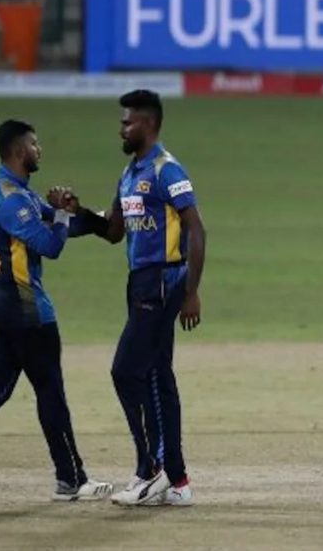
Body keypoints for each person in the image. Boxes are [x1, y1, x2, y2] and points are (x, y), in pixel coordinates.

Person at [0, 119, 111, 502]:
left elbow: (58, 222)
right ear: (20, 151)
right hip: (27, 314)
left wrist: (96, 220)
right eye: (34, 144)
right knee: (50, 393)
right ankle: (71, 479)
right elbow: (51, 245)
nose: (39, 150)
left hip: (2, 309)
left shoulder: (13, 190)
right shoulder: (14, 201)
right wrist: (63, 216)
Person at [70, 90, 206, 507]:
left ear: (147, 124)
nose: (121, 129)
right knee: (158, 376)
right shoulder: (129, 174)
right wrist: (78, 212)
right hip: (140, 283)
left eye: (127, 122)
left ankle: (153, 468)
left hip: (163, 282)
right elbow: (114, 231)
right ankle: (176, 480)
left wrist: (191, 291)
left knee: (127, 371)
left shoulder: (167, 170)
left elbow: (196, 229)